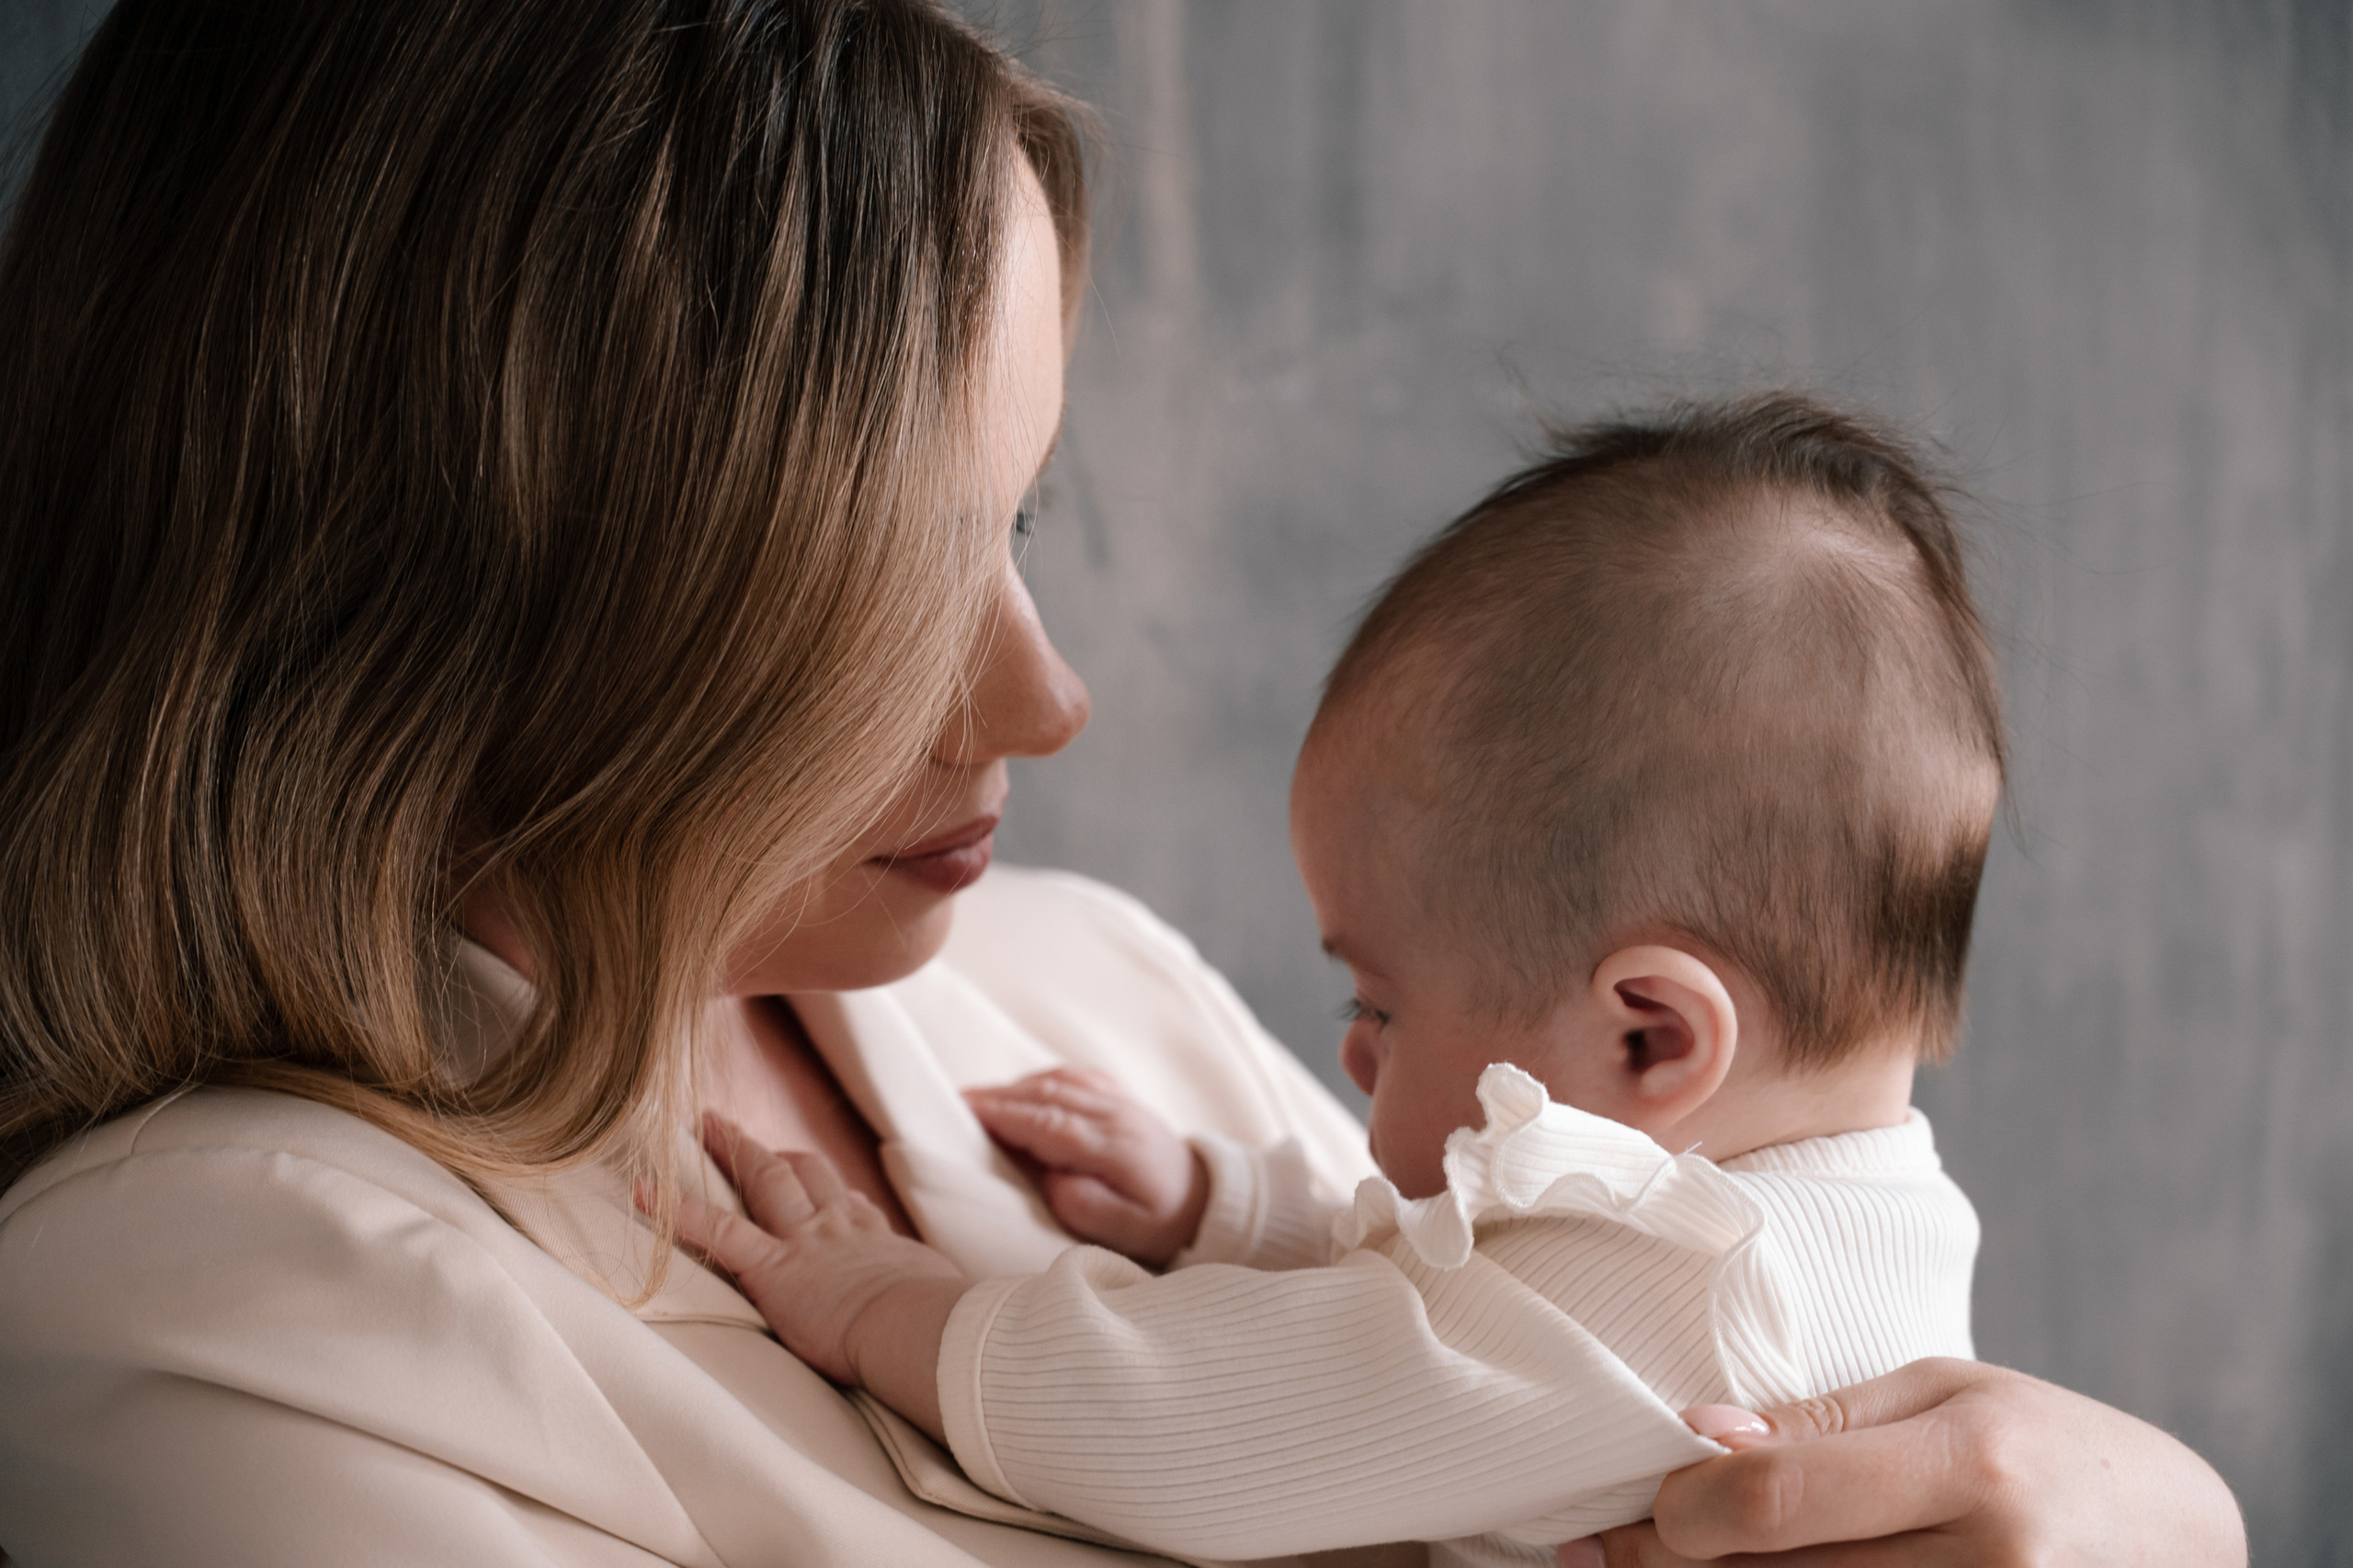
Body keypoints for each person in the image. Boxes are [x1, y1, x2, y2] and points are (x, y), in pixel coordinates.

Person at [0, 1, 2248, 1564]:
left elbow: (1408, 1306)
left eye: (1021, 522)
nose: (1049, 697)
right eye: (889, 578)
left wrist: (2160, 1517)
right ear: (464, 589)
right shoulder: (209, 1320)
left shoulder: (1087, 991)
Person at [661, 395, 1995, 1565]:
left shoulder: (1675, 1308)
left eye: (1381, 1007)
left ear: (1651, 1037)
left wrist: (896, 1307)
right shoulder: (1826, 1220)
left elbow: (1204, 1421)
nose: (1356, 1059)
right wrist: (1220, 1206)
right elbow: (1452, 1311)